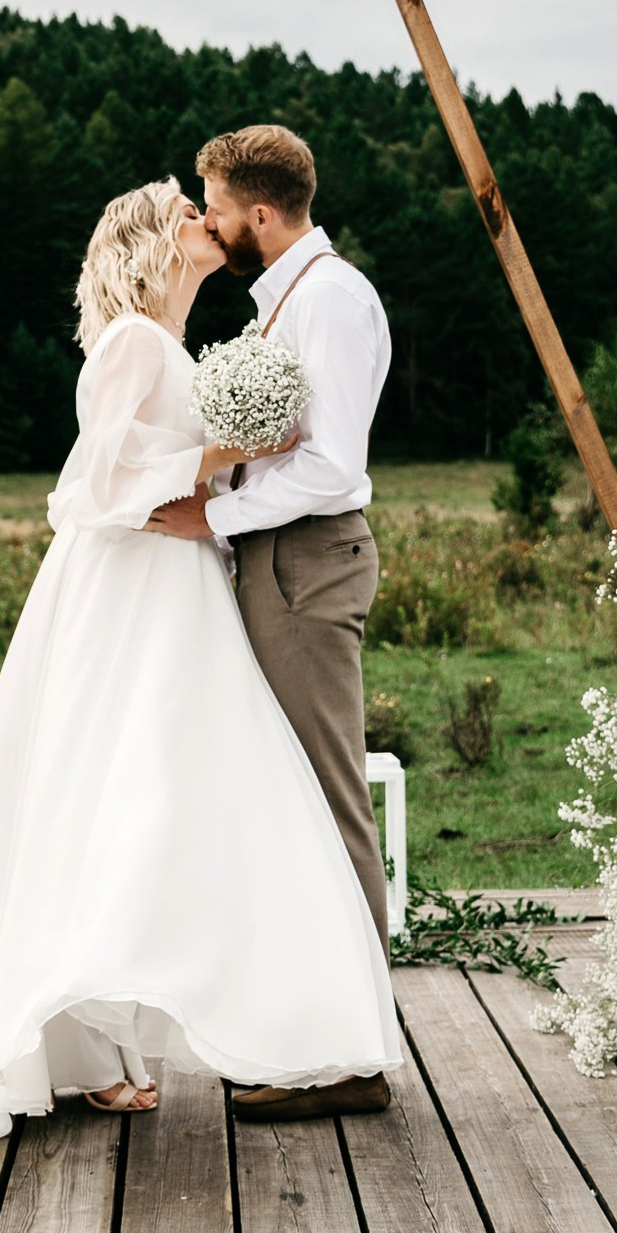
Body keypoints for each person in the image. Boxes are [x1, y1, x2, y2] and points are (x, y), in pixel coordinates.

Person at [0, 177, 400, 1181]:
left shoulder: (165, 345)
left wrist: (225, 464)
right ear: (151, 246)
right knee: (110, 794)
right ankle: (83, 1037)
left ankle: (112, 1044)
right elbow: (92, 484)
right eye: (185, 215)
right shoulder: (133, 346)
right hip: (134, 585)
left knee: (133, 799)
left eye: (209, 208)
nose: (205, 221)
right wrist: (234, 450)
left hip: (176, 577)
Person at [146, 123, 394, 1118]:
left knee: (327, 796)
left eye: (211, 204)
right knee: (284, 794)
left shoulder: (328, 299)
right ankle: (306, 1028)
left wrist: (216, 511)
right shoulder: (286, 297)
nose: (203, 220)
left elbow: (331, 464)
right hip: (275, 560)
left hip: (304, 563)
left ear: (258, 213)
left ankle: (350, 1058)